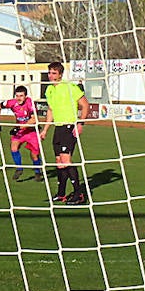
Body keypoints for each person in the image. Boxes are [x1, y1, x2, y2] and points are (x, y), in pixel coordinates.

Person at [39, 61, 92, 205]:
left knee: (65, 160)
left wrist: (80, 123)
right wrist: (45, 130)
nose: (51, 75)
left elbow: (85, 105)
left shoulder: (69, 87)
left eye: (54, 73)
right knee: (58, 162)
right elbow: (50, 110)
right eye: (49, 72)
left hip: (69, 127)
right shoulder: (49, 90)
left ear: (60, 75)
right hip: (58, 128)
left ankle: (79, 194)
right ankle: (61, 194)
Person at [0, 85, 43, 181]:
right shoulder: (11, 103)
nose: (19, 98)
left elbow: (34, 119)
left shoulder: (30, 103)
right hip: (20, 131)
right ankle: (19, 169)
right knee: (14, 147)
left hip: (31, 131)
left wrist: (20, 127)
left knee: (34, 154)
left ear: (25, 96)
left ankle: (38, 172)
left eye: (21, 96)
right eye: (17, 96)